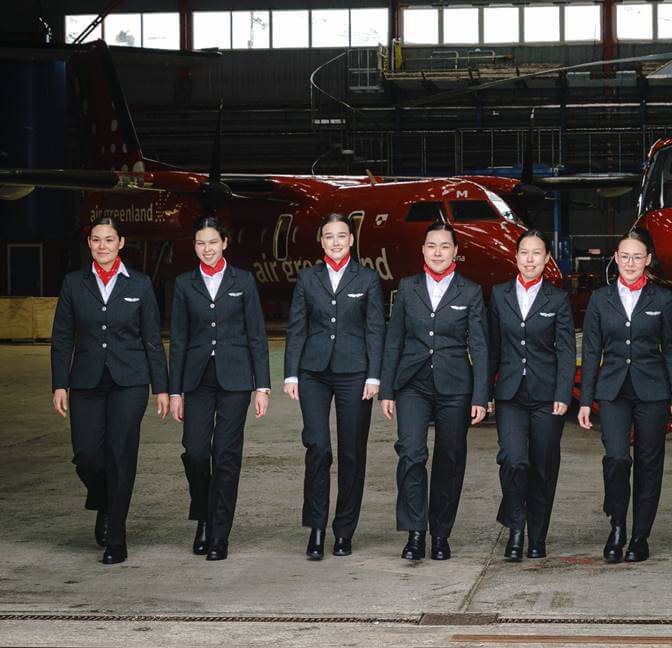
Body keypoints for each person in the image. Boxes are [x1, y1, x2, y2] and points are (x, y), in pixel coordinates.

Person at [50, 216, 169, 564]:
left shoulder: (141, 285)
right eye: (96, 240)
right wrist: (59, 383)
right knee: (87, 455)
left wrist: (161, 387)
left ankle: (116, 534)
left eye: (109, 240)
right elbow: (62, 338)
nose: (103, 246)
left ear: (121, 243)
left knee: (120, 454)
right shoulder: (74, 284)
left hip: (129, 382)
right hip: (85, 381)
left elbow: (151, 340)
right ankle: (103, 500)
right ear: (89, 244)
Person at [380, 221, 489, 561]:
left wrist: (480, 396)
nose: (438, 252)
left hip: (455, 386)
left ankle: (440, 533)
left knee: (450, 459)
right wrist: (387, 389)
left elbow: (481, 346)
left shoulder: (470, 292)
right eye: (431, 246)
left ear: (456, 252)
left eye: (445, 246)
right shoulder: (408, 288)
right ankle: (415, 532)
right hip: (412, 384)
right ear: (423, 250)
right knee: (411, 454)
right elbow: (394, 339)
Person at [284, 213, 385, 560]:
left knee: (352, 453)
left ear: (352, 240)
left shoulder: (368, 278)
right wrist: (290, 374)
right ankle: (315, 528)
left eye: (342, 236)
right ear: (321, 241)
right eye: (329, 236)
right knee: (318, 448)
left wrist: (375, 375)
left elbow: (375, 329)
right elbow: (296, 326)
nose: (336, 242)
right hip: (312, 371)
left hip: (355, 372)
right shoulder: (307, 277)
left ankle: (344, 530)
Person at [168, 215, 271, 561]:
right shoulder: (184, 283)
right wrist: (174, 390)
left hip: (236, 378)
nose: (207, 249)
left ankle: (218, 534)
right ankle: (203, 514)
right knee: (195, 451)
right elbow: (179, 340)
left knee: (226, 456)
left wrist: (263, 386)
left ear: (225, 243)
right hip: (196, 379)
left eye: (213, 242)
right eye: (200, 243)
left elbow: (256, 334)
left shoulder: (243, 280)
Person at [578, 229, 672, 563]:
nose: (631, 263)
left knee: (650, 464)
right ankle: (618, 524)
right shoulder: (600, 299)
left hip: (653, 391)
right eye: (625, 256)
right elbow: (591, 350)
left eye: (638, 257)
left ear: (648, 260)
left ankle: (640, 536)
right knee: (618, 458)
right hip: (613, 391)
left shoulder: (662, 299)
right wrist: (585, 400)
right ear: (616, 259)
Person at [488, 229, 574, 561]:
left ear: (547, 259)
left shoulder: (558, 299)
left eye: (537, 253)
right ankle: (516, 527)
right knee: (513, 460)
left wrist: (564, 393)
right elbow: (492, 348)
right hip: (510, 393)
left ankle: (537, 536)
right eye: (524, 252)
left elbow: (566, 352)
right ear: (516, 256)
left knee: (542, 467)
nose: (530, 259)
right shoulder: (499, 295)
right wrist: (485, 394)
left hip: (547, 396)